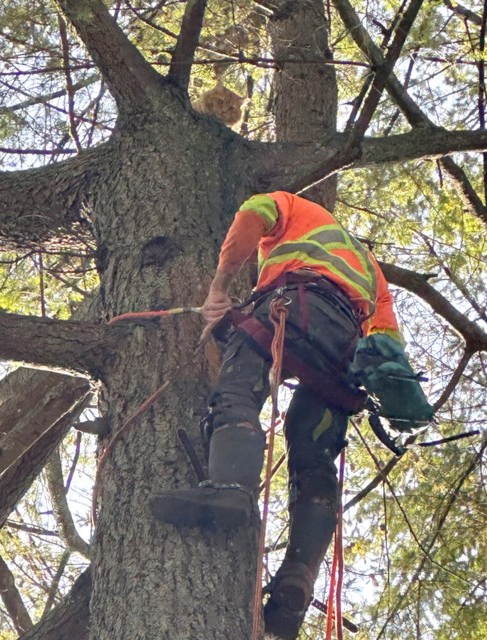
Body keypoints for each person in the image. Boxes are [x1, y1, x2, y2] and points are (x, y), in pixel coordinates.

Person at [149, 191, 431, 639]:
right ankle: (297, 579)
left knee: (239, 385)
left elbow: (249, 220)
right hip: (342, 348)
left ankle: (230, 489)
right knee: (314, 453)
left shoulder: (291, 206)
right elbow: (388, 344)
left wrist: (218, 290)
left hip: (297, 305)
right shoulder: (369, 269)